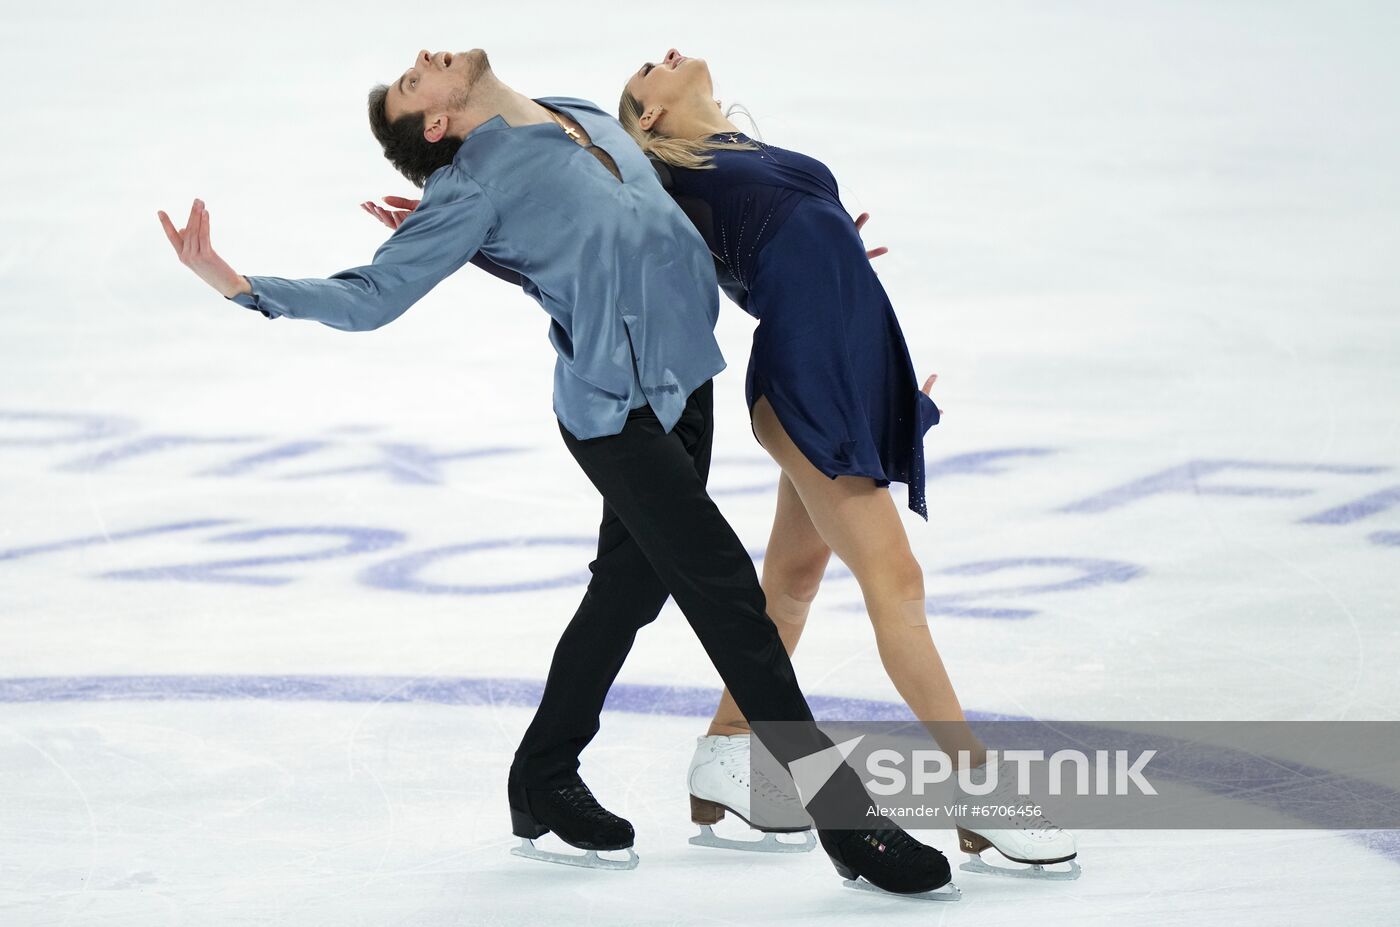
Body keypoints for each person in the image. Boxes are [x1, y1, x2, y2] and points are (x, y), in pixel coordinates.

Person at [158, 46, 955, 896]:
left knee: (628, 588)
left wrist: (818, 257)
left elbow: (665, 228)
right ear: (437, 122)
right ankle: (844, 821)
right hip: (615, 416)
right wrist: (243, 286)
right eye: (412, 81)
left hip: (687, 384)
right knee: (724, 586)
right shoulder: (468, 185)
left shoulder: (577, 108)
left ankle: (543, 774)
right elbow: (372, 296)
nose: (424, 60)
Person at [614, 47, 1078, 876]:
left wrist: (829, 253)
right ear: (647, 117)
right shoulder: (661, 178)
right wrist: (466, 232)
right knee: (896, 581)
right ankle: (976, 791)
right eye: (647, 69)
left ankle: (725, 751)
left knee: (792, 584)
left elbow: (797, 241)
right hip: (803, 373)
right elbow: (565, 198)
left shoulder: (747, 154)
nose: (666, 56)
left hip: (843, 358)